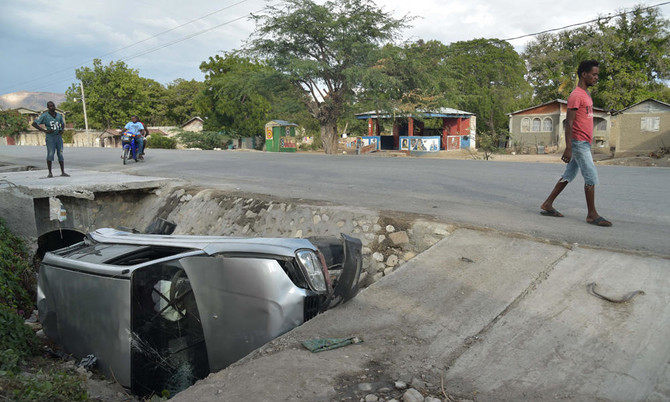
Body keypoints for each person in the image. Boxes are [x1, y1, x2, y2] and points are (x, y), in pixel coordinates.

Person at [540, 60, 612, 227]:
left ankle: (547, 204)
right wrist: (569, 148)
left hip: (583, 142)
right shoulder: (576, 95)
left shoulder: (586, 95)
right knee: (591, 176)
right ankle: (592, 214)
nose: (596, 77)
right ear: (584, 74)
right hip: (578, 142)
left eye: (597, 75)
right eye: (594, 74)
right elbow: (569, 123)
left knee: (568, 175)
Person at [32, 101, 69, 178]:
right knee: (50, 154)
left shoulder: (59, 115)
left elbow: (62, 123)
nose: (53, 107)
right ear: (48, 107)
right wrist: (44, 130)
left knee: (60, 154)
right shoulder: (45, 116)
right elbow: (34, 124)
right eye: (51, 106)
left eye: (53, 106)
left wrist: (62, 129)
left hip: (58, 137)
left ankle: (63, 172)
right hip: (50, 137)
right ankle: (50, 172)